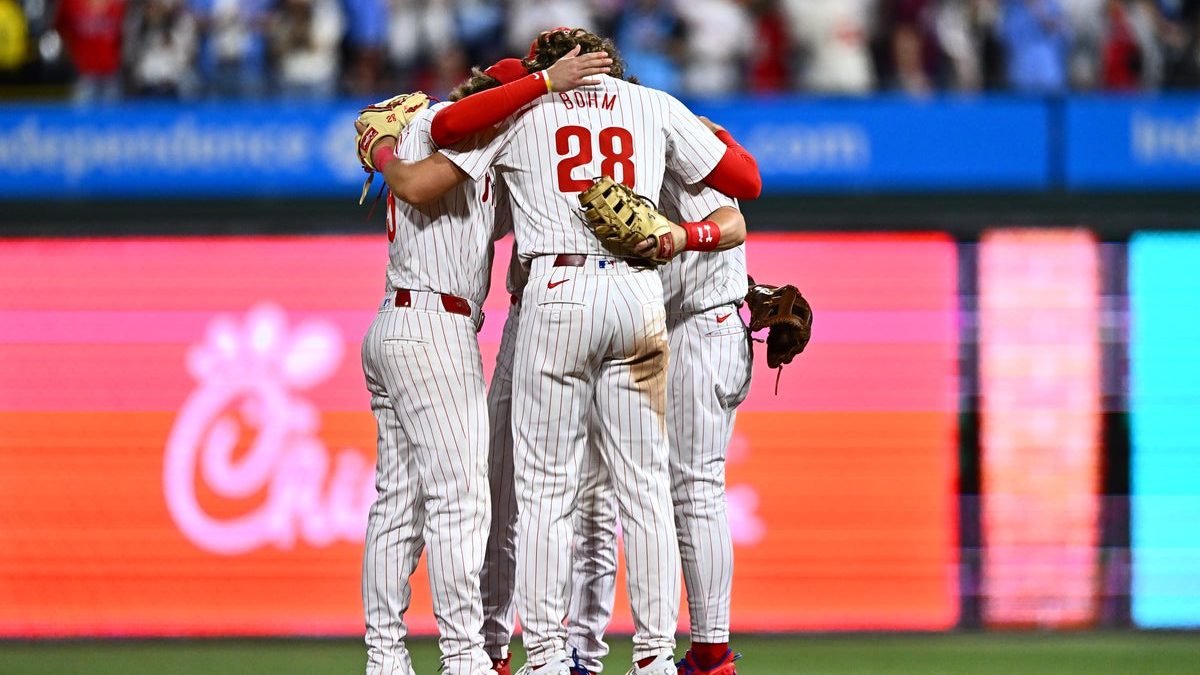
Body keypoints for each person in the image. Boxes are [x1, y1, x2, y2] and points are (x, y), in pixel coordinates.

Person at [378, 27, 759, 675]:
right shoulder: (656, 106)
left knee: (544, 491)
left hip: (556, 290)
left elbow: (445, 135)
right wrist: (707, 134)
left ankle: (549, 656)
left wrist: (537, 87)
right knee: (644, 492)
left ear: (548, 67)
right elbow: (744, 182)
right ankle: (654, 658)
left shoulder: (527, 106)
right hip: (638, 292)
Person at [357, 49, 614, 675]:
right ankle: (464, 655)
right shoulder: (457, 124)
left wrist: (378, 147)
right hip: (432, 331)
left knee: (398, 505)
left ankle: (386, 658)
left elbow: (497, 214)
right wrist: (386, 155)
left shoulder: (463, 147)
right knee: (462, 501)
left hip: (398, 321)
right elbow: (422, 175)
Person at [565, 127, 754, 675]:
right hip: (666, 330)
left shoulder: (667, 137)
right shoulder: (623, 148)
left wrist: (683, 240)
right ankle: (584, 651)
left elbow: (731, 221)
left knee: (693, 489)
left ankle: (712, 657)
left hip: (702, 326)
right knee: (601, 493)